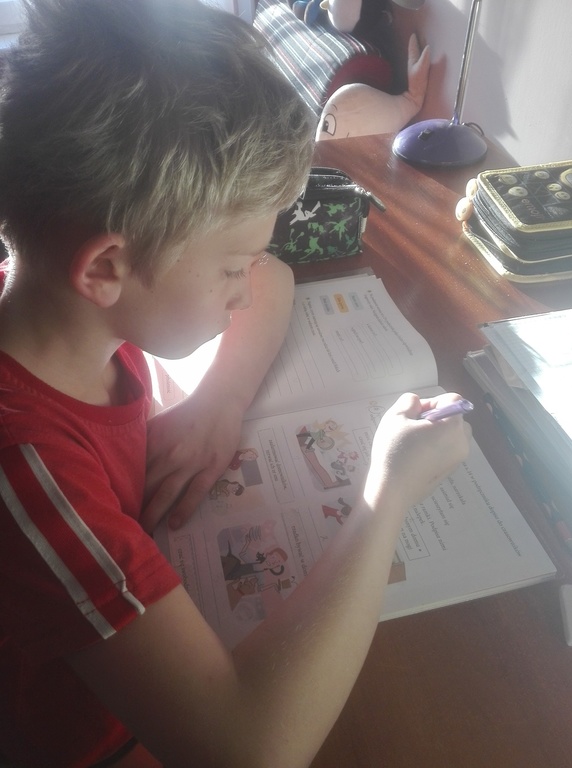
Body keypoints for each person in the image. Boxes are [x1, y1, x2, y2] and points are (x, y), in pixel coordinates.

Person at [0, 1, 471, 766]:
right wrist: (385, 498)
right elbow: (249, 748)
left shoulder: (59, 317)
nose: (246, 287)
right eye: (228, 268)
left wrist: (218, 405)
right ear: (107, 267)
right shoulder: (26, 473)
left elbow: (275, 278)